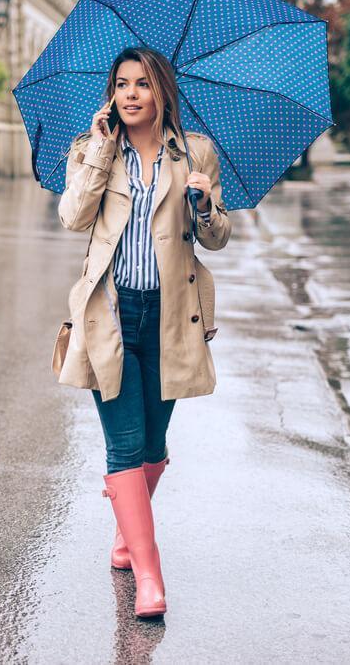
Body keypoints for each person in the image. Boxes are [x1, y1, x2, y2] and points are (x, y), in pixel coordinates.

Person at [56, 47, 231, 619]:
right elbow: (73, 216)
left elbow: (217, 237)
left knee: (153, 444)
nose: (131, 94)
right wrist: (102, 150)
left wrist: (204, 205)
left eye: (143, 84)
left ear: (161, 93)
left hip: (172, 316)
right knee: (124, 444)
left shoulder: (196, 152)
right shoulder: (90, 149)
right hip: (110, 311)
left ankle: (127, 535)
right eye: (122, 84)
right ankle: (150, 576)